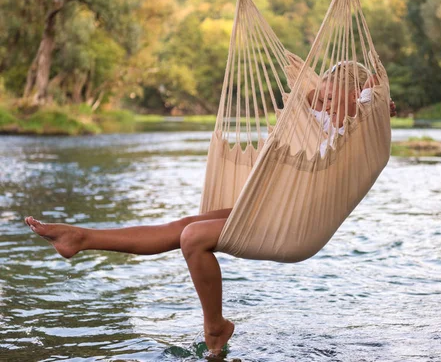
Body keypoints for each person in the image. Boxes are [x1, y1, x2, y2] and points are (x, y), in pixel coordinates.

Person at [24, 61, 397, 357]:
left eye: (335, 99)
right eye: (327, 98)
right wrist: (328, 90)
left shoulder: (361, 127)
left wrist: (374, 98)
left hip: (299, 225)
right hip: (281, 209)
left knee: (194, 238)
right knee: (186, 225)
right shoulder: (324, 120)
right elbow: (311, 95)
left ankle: (215, 326)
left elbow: (374, 99)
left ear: (356, 97)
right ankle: (81, 237)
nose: (326, 105)